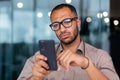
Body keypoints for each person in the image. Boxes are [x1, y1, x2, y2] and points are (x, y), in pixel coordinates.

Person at [17, 3, 119, 80]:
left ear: (78, 23)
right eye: (56, 25)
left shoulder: (100, 56)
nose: (62, 29)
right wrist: (34, 78)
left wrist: (86, 64)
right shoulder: (40, 59)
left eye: (67, 22)